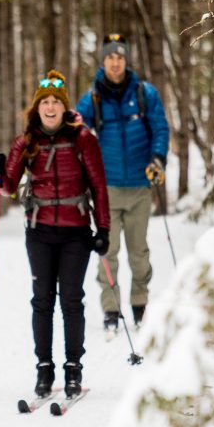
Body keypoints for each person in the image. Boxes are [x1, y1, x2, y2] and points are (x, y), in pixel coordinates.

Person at [0, 69, 110, 399]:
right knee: (42, 300)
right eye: (45, 102)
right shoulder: (27, 141)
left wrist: (104, 229)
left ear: (64, 107)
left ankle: (73, 368)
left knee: (71, 299)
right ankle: (44, 368)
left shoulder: (83, 139)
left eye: (56, 101)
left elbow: (99, 186)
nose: (51, 107)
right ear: (37, 107)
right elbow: (8, 187)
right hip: (39, 231)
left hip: (76, 232)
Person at [75, 33, 170, 336]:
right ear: (103, 61)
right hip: (107, 189)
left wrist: (158, 158)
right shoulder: (92, 98)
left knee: (139, 252)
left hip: (141, 186)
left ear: (126, 61)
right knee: (109, 251)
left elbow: (160, 128)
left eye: (119, 57)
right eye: (110, 57)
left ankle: (140, 304)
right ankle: (111, 309)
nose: (115, 62)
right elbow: (75, 129)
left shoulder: (145, 93)